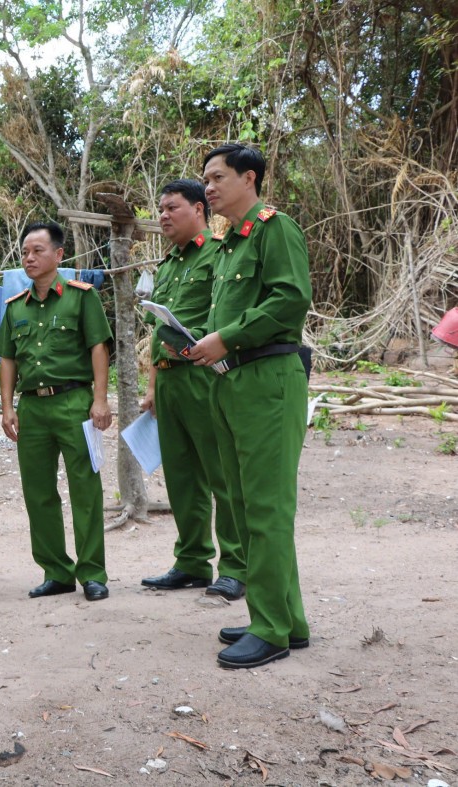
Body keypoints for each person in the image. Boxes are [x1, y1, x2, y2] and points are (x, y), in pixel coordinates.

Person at [186, 143, 313, 669]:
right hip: (231, 382)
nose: (208, 188)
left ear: (250, 178)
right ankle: (289, 620)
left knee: (266, 508)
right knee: (242, 504)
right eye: (206, 179)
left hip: (268, 378)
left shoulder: (273, 228)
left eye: (217, 178)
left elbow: (290, 298)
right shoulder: (227, 244)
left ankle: (271, 630)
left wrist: (228, 337)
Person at [0, 221, 114, 602]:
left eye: (37, 251)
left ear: (59, 255)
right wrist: (7, 407)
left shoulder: (82, 297)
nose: (29, 258)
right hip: (33, 410)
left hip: (74, 403)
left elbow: (99, 348)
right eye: (25, 252)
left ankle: (92, 573)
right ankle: (55, 571)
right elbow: (8, 359)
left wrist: (100, 398)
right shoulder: (16, 308)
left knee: (85, 489)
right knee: (38, 492)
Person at [140, 180, 246, 599]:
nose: (163, 215)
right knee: (182, 478)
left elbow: (226, 314)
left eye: (172, 208)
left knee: (221, 475)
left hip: (203, 377)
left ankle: (236, 566)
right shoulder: (167, 265)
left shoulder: (218, 254)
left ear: (199, 210)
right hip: (168, 381)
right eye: (160, 209)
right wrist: (151, 386)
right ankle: (192, 562)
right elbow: (156, 334)